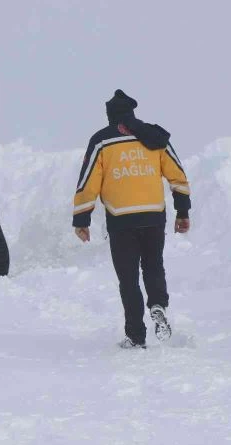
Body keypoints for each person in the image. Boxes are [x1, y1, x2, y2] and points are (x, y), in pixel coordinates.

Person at [73, 89, 191, 349]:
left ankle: (136, 336)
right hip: (153, 215)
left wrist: (81, 219)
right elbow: (177, 175)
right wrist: (182, 211)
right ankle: (158, 304)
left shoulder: (102, 141)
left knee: (128, 279)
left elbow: (88, 182)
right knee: (153, 266)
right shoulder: (154, 137)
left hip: (121, 219)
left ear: (110, 117)